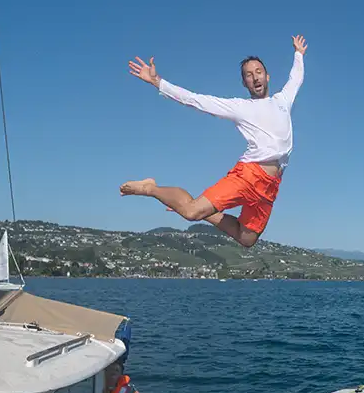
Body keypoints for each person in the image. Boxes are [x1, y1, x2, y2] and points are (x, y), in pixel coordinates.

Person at [120, 35, 308, 248]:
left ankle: (201, 208)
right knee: (191, 212)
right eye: (248, 75)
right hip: (248, 175)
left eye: (258, 72)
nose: (255, 78)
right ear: (244, 82)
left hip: (271, 185)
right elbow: (196, 100)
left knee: (247, 239)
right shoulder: (240, 107)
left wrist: (298, 54)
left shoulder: (282, 100)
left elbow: (296, 78)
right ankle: (150, 188)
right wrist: (157, 81)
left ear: (267, 76)